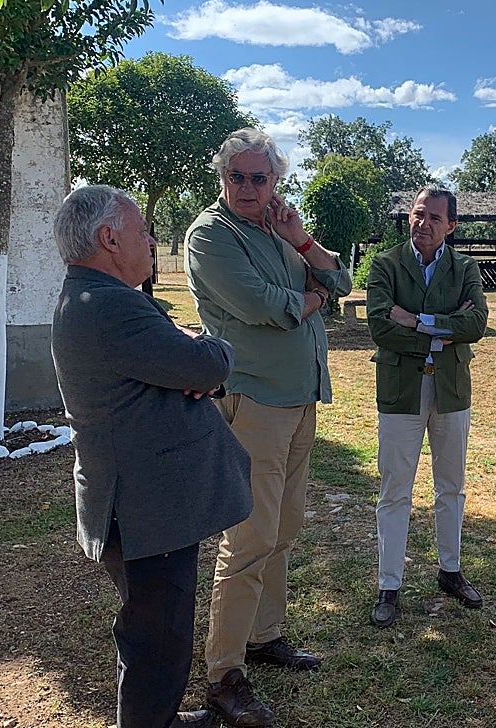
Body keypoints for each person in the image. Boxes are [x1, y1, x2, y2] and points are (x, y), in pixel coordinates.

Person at [50, 185, 254, 728]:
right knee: (156, 643)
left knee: (155, 631)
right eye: (143, 231)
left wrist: (186, 360)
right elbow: (205, 366)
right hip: (145, 510)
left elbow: (176, 368)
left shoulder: (97, 298)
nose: (151, 241)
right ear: (109, 238)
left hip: (141, 505)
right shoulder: (110, 305)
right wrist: (209, 353)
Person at [185, 128, 352, 728]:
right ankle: (224, 673)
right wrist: (306, 297)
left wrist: (302, 242)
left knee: (284, 527)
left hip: (301, 397)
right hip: (254, 401)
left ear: (277, 181)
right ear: (222, 177)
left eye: (261, 178)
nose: (250, 187)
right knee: (250, 539)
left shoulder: (276, 229)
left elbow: (340, 283)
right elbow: (267, 306)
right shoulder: (210, 235)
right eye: (239, 177)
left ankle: (264, 637)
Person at [365, 188, 489, 628]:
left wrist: (416, 321)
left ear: (451, 225)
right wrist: (447, 327)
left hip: (452, 390)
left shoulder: (465, 266)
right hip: (401, 391)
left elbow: (478, 323)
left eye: (435, 217)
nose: (425, 223)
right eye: (419, 214)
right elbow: (381, 326)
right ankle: (389, 585)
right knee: (395, 490)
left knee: (451, 486)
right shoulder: (385, 264)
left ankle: (450, 571)